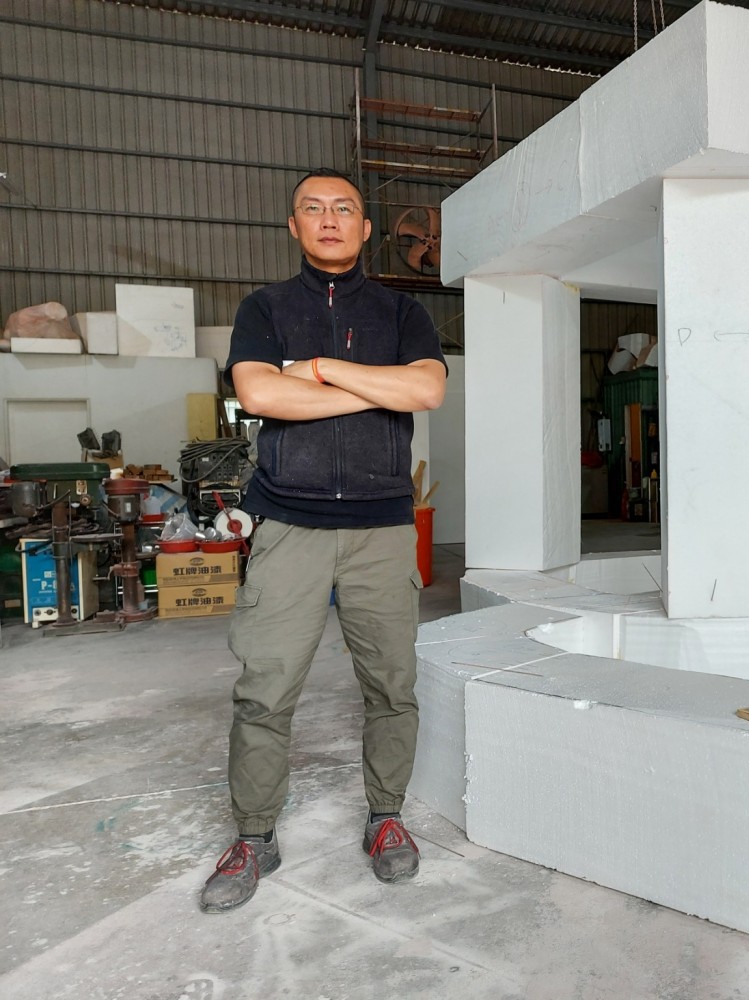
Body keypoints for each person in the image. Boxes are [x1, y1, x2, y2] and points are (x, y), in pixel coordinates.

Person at [200, 168, 447, 913]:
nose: (330, 219)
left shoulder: (403, 311)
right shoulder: (265, 308)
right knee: (265, 690)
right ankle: (254, 836)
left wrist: (320, 372)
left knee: (391, 687)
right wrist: (372, 387)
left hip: (380, 529)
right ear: (295, 225)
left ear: (367, 229)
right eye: (314, 208)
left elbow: (426, 390)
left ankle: (386, 817)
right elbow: (259, 394)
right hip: (289, 527)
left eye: (345, 209)